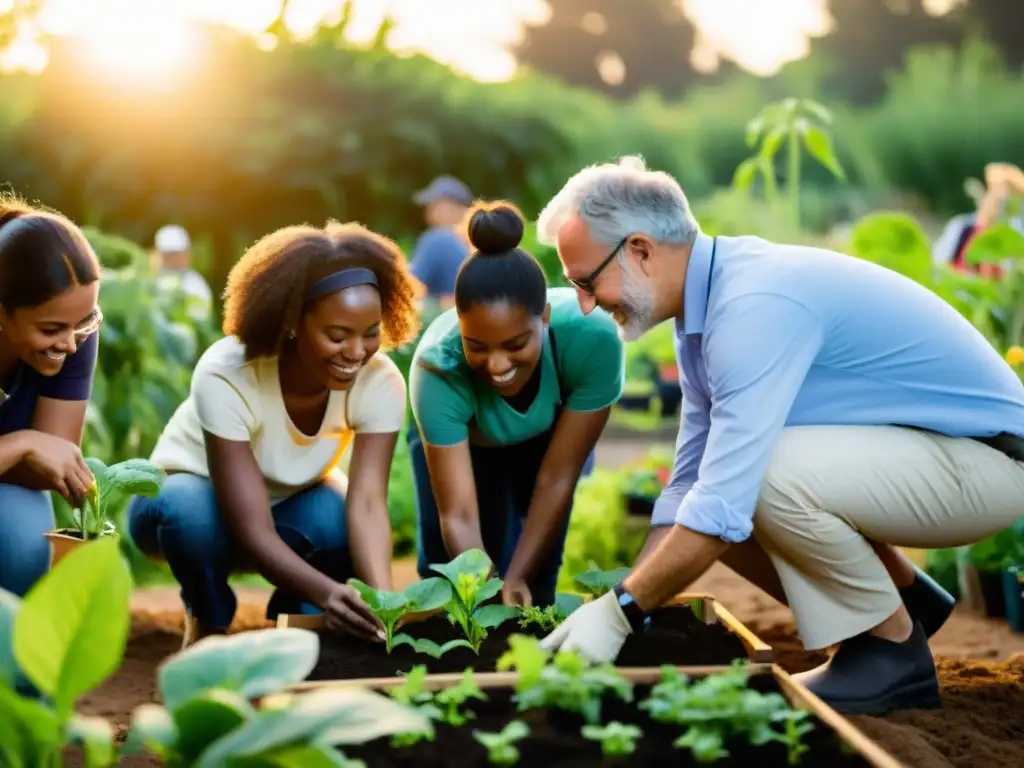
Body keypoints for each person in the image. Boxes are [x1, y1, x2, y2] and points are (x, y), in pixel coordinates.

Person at [533, 156, 1024, 716]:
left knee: (754, 478)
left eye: (586, 282)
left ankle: (888, 649)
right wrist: (636, 612)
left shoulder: (753, 306)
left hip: (991, 464)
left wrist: (620, 610)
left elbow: (722, 501)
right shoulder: (706, 308)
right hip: (937, 454)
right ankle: (907, 598)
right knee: (718, 489)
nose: (589, 304)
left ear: (641, 249)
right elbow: (690, 479)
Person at [127, 221, 420, 646]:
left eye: (370, 333)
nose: (356, 352)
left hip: (290, 512)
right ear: (294, 322)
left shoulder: (380, 382)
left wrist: (381, 606)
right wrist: (327, 590)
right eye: (338, 336)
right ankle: (207, 620)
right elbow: (251, 527)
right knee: (187, 509)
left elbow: (370, 502)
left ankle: (297, 620)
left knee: (337, 517)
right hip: (187, 510)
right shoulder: (228, 373)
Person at [408, 201, 625, 608]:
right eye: (478, 346)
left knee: (534, 587)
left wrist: (518, 576)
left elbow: (557, 477)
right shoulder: (438, 367)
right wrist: (488, 585)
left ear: (543, 317)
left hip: (545, 442)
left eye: (515, 345)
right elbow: (458, 515)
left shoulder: (591, 340)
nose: (498, 364)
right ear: (459, 324)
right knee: (450, 584)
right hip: (467, 448)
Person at [0, 197, 102, 598]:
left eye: (84, 322)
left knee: (20, 535)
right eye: (51, 329)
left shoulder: (72, 334)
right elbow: (37, 450)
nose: (70, 344)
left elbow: (48, 462)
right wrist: (24, 443)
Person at [932, 162, 1024, 275]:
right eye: (996, 195)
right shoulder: (962, 227)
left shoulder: (1014, 237)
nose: (1000, 205)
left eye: (1006, 200)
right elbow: (938, 263)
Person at [409, 175, 473, 307]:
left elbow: (411, 287)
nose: (427, 213)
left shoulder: (437, 239)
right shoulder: (479, 242)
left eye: (431, 206)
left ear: (447, 207)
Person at [153, 224, 215, 322]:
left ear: (188, 254)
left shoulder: (195, 285)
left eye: (175, 254)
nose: (171, 260)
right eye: (166, 254)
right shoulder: (150, 280)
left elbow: (198, 319)